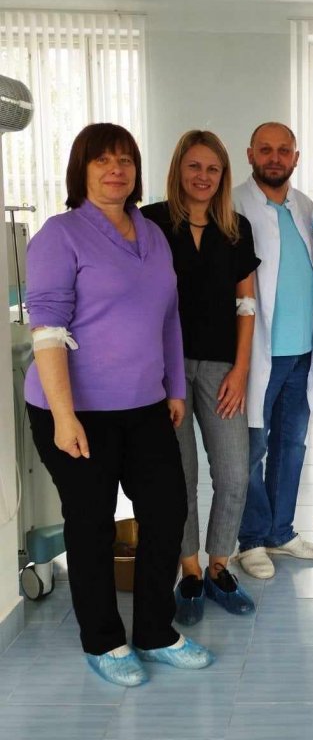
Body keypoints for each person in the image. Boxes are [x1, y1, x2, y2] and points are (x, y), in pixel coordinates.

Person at [24, 123, 213, 688]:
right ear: (81, 170)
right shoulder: (59, 235)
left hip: (145, 404)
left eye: (125, 160)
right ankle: (103, 640)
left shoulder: (151, 233)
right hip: (75, 410)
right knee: (91, 524)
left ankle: (155, 631)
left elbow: (169, 318)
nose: (116, 170)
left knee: (168, 511)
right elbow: (47, 331)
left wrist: (174, 388)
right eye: (103, 160)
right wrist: (64, 417)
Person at [142, 130, 258, 624]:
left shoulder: (235, 228)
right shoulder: (149, 222)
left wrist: (242, 369)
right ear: (178, 169)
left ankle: (219, 566)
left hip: (221, 367)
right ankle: (189, 571)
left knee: (233, 473)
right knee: (181, 477)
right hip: (163, 370)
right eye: (194, 166)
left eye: (213, 168)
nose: (203, 176)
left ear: (223, 175)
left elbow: (247, 304)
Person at [232, 122, 313, 580]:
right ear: (250, 153)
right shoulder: (232, 205)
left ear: (296, 157)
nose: (275, 157)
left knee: (291, 445)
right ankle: (251, 539)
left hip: (302, 351)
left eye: (283, 150)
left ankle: (280, 532)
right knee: (250, 449)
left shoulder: (305, 207)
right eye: (266, 149)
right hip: (255, 352)